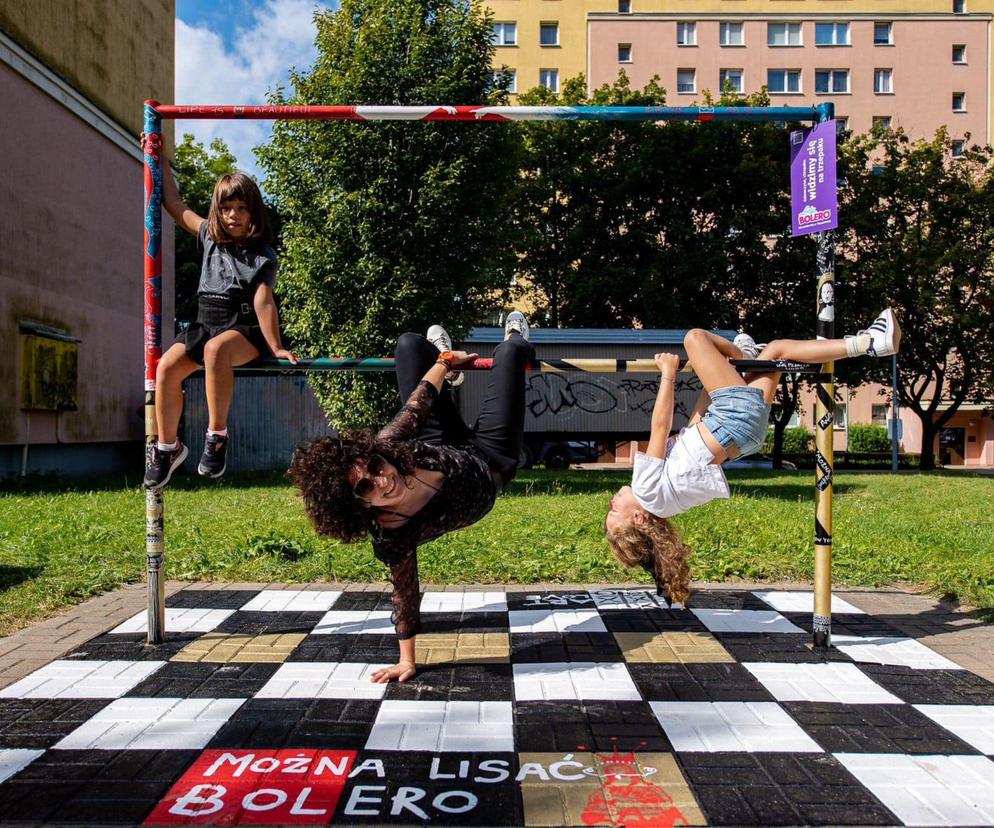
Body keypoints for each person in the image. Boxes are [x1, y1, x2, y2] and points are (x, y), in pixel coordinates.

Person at [290, 313, 535, 684]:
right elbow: (404, 594)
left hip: (440, 446)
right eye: (366, 487)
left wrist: (444, 364)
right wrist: (407, 660)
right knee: (511, 352)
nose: (383, 479)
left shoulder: (390, 446)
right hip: (491, 462)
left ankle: (447, 361)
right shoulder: (392, 532)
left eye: (374, 465)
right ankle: (517, 332)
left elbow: (420, 400)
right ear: (360, 506)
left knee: (409, 344)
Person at [605, 309, 902, 605]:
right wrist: (668, 374)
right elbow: (660, 427)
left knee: (777, 350)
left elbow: (693, 429)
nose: (612, 501)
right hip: (732, 419)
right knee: (694, 338)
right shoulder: (645, 489)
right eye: (613, 511)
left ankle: (866, 344)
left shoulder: (670, 502)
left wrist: (718, 373)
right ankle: (744, 352)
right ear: (639, 518)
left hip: (748, 435)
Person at [142, 145, 296, 489]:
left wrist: (276, 346)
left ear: (253, 212)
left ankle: (217, 435)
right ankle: (168, 447)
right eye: (226, 208)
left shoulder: (262, 255)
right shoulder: (210, 237)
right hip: (205, 323)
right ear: (217, 211)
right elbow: (174, 204)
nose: (233, 216)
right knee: (166, 367)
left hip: (244, 329)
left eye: (242, 209)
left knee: (215, 350)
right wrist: (159, 159)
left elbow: (264, 302)